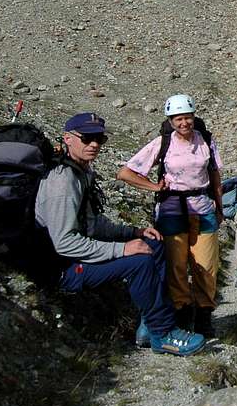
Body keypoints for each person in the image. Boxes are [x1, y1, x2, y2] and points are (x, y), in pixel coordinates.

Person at [34, 112, 205, 356]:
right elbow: (64, 243)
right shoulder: (63, 182)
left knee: (153, 243)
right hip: (63, 267)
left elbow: (92, 224)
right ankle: (163, 334)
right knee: (139, 262)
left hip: (75, 253)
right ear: (68, 139)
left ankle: (149, 322)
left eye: (99, 139)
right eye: (86, 138)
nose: (94, 144)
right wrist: (122, 248)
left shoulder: (80, 171)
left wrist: (132, 232)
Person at [117, 94, 223, 337]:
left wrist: (219, 208)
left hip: (203, 209)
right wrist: (154, 187)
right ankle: (183, 316)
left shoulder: (206, 139)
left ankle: (204, 317)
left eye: (187, 117)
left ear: (194, 117)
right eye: (178, 119)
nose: (183, 123)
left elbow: (215, 175)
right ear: (171, 120)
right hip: (172, 210)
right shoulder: (162, 143)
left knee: (206, 266)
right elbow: (126, 173)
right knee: (176, 267)